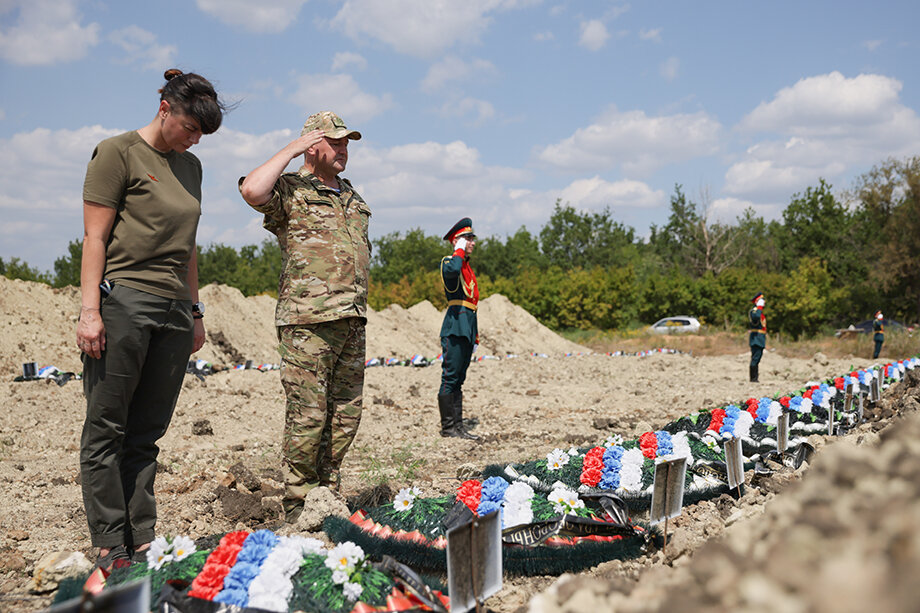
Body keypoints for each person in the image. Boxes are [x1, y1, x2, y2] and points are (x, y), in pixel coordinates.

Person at [77, 69, 227, 570]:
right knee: (107, 426)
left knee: (147, 431)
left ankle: (141, 537)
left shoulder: (192, 167)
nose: (193, 139)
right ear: (165, 108)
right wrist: (90, 312)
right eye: (189, 127)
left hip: (173, 311)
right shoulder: (116, 153)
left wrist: (195, 310)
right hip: (124, 302)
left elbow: (188, 248)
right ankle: (108, 541)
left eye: (201, 135)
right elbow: (94, 238)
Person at [238, 111, 370, 522]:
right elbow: (252, 190)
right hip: (307, 321)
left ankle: (327, 495)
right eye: (336, 141)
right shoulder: (292, 190)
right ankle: (299, 504)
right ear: (314, 146)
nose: (345, 148)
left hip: (351, 318)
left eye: (348, 141)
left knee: (346, 415)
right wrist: (292, 149)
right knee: (308, 415)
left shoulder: (352, 196)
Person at [437, 218, 481, 440]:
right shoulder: (450, 262)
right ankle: (448, 429)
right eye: (468, 239)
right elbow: (453, 271)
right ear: (457, 242)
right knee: (450, 377)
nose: (472, 242)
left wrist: (475, 335)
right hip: (454, 327)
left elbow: (472, 302)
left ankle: (458, 427)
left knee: (459, 379)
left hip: (466, 328)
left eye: (472, 238)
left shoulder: (467, 266)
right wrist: (458, 250)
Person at [748, 292, 767, 382]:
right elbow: (755, 318)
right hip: (756, 338)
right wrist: (759, 307)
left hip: (760, 338)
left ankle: (755, 377)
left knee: (757, 358)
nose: (764, 302)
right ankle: (753, 378)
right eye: (761, 300)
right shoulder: (754, 311)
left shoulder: (759, 311)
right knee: (755, 358)